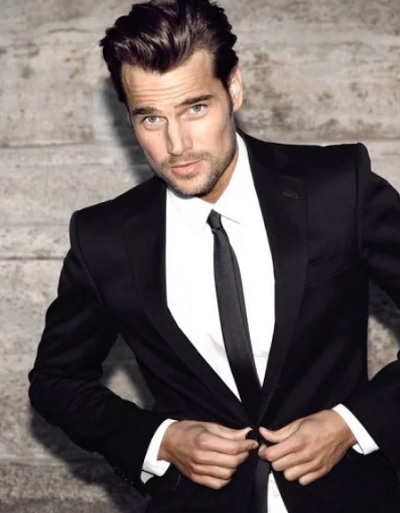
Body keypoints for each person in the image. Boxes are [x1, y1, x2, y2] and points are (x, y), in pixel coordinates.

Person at [28, 1, 400, 512]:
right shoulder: (104, 238)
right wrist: (161, 440)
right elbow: (56, 382)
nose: (176, 144)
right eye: (150, 118)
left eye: (195, 108)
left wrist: (351, 424)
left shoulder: (338, 188)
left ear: (234, 89)